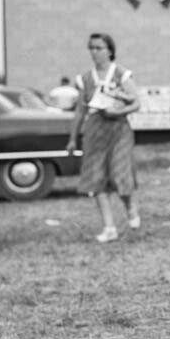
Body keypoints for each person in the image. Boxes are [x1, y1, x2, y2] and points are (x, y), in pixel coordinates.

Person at [66, 33, 141, 243]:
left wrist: (118, 111)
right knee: (96, 178)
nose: (94, 52)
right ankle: (109, 226)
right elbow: (80, 111)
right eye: (91, 48)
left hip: (118, 129)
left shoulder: (122, 74)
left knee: (120, 174)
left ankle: (130, 207)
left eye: (99, 47)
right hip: (95, 129)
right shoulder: (85, 79)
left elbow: (136, 102)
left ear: (109, 50)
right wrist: (73, 138)